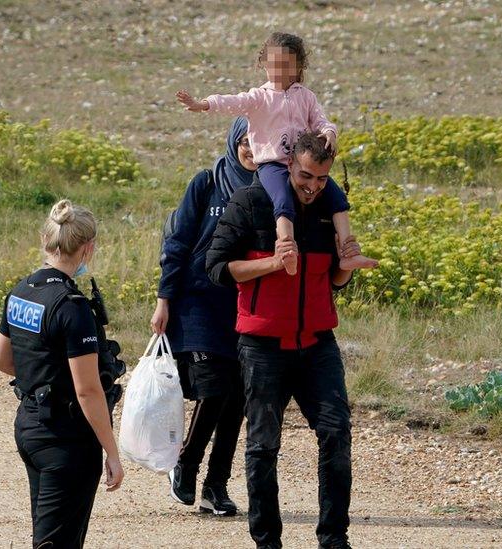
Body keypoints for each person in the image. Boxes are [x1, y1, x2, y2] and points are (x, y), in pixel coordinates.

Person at [206, 132, 360, 549]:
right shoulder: (251, 203)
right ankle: (267, 542)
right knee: (262, 445)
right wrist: (274, 263)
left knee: (336, 433)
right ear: (288, 164)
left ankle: (333, 539)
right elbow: (216, 267)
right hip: (262, 347)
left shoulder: (330, 207)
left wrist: (347, 266)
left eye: (322, 179)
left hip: (317, 344)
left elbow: (335, 281)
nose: (313, 186)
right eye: (306, 176)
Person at [176, 31, 377, 276]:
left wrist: (330, 133)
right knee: (282, 200)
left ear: (298, 66)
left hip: (301, 164)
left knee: (337, 199)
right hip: (272, 165)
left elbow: (322, 122)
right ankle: (287, 251)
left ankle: (349, 254)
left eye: (286, 65)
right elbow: (232, 102)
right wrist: (203, 104)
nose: (279, 71)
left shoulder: (306, 97)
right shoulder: (259, 97)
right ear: (263, 64)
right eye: (273, 65)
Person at [0, 199, 124, 548]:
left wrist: (43, 376)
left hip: (30, 427)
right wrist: (111, 451)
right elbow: (88, 391)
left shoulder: (20, 292)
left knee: (46, 536)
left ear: (45, 240)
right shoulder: (71, 306)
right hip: (66, 441)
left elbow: (2, 360)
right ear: (88, 248)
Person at [150, 117, 256, 516]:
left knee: (237, 399)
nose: (249, 149)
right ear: (232, 141)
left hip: (242, 304)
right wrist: (164, 298)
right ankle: (186, 463)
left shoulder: (272, 188)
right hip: (196, 303)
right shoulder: (207, 182)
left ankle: (216, 487)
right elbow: (177, 241)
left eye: (256, 141)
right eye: (243, 141)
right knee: (215, 388)